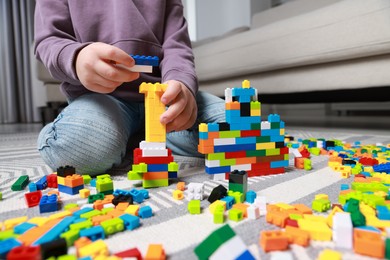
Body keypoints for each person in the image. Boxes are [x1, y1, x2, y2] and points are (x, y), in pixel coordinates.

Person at [34, 0, 225, 175]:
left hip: (164, 95)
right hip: (101, 98)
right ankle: (127, 135)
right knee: (74, 150)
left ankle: (137, 138)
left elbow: (176, 44)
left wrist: (182, 82)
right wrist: (76, 57)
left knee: (241, 133)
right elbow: (49, 40)